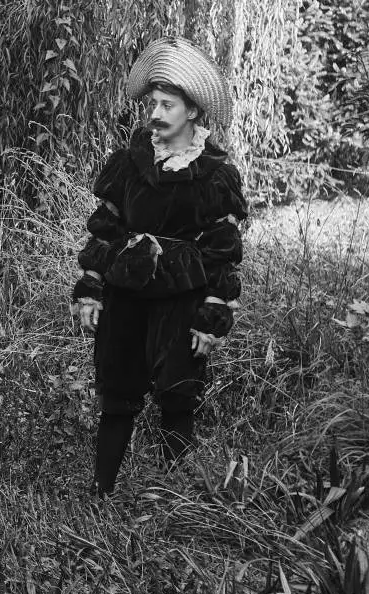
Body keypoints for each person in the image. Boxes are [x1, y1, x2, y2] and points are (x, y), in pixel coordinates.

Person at [72, 36, 248, 498]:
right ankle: (100, 492)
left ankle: (176, 500)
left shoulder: (214, 173)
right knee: (117, 390)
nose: (156, 113)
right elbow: (105, 229)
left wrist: (213, 315)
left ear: (192, 112)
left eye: (168, 105)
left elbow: (222, 249)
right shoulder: (128, 163)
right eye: (153, 103)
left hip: (182, 296)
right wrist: (90, 287)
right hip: (127, 290)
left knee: (177, 392)